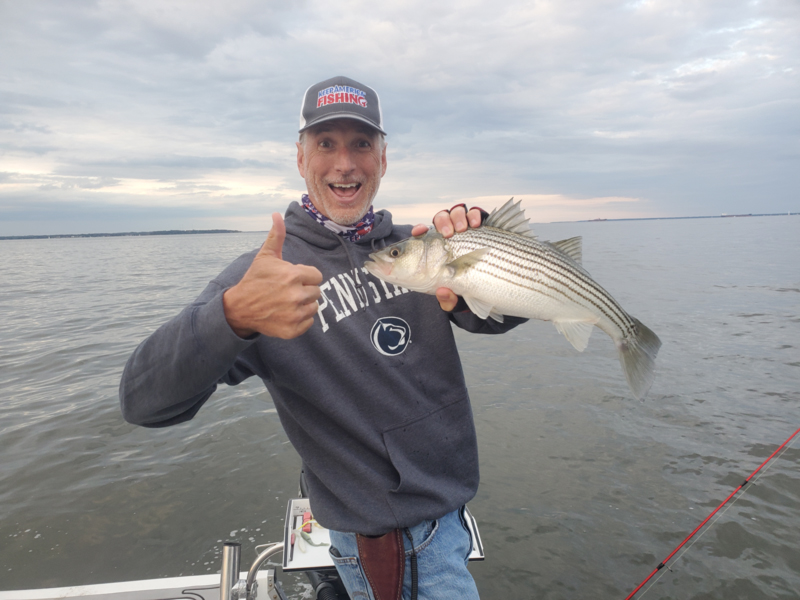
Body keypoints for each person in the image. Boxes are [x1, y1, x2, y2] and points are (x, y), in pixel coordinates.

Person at [120, 75, 525, 600]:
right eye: (325, 143)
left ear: (383, 157)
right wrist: (232, 316)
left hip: (445, 520)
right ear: (300, 155)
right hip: (387, 544)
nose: (344, 163)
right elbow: (143, 401)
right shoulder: (266, 277)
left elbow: (497, 318)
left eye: (361, 143)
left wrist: (493, 253)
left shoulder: (418, 252)